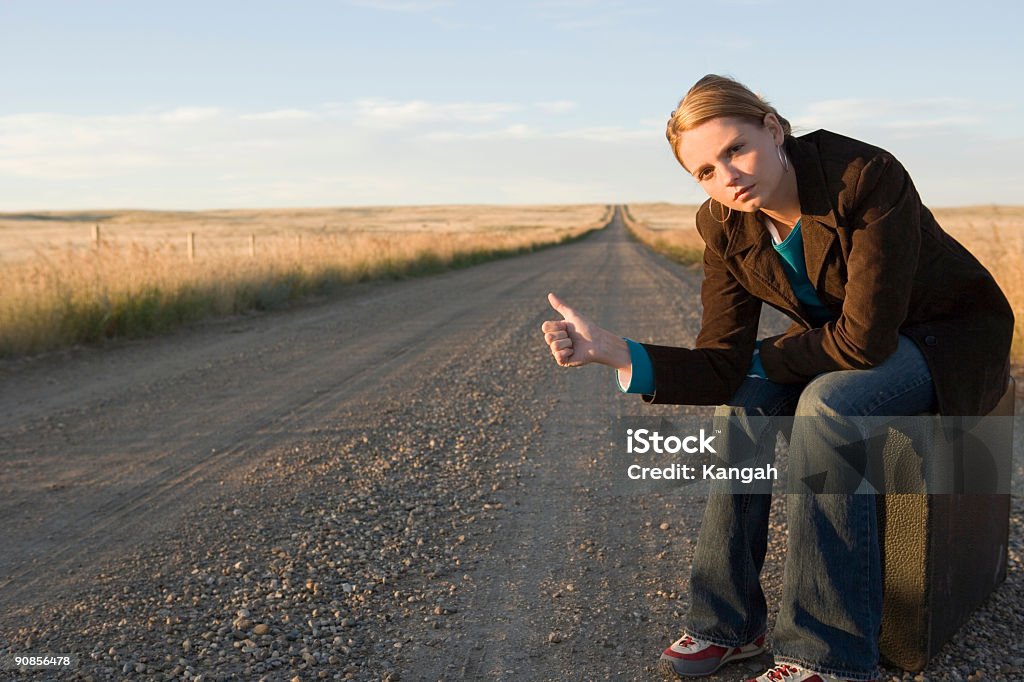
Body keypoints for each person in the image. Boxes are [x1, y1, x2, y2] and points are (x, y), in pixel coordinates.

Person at [540, 74, 1014, 682]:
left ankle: (828, 656)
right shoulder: (722, 224)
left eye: (735, 149)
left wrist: (761, 362)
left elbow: (864, 341)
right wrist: (615, 352)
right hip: (849, 340)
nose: (727, 177)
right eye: (705, 171)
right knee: (743, 403)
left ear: (773, 127)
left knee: (829, 405)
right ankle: (728, 624)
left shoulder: (864, 176)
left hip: (942, 337)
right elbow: (720, 361)